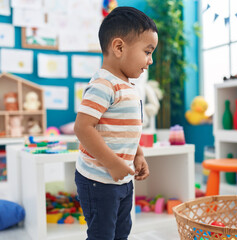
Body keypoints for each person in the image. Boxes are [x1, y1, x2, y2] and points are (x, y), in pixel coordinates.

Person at [74, 6, 158, 240]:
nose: (150, 60)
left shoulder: (128, 86)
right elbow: (83, 127)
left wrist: (138, 154)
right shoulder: (103, 84)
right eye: (147, 52)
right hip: (98, 180)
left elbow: (128, 130)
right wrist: (112, 163)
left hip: (121, 178)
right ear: (119, 47)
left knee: (122, 231)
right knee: (102, 234)